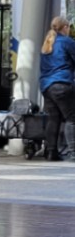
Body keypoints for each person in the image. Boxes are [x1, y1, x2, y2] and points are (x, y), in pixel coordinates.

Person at [40, 16, 75, 161]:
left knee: (53, 119)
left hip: (47, 86)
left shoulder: (48, 42)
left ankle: (51, 152)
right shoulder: (67, 42)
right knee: (72, 118)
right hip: (62, 84)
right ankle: (73, 152)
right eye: (69, 27)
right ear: (65, 27)